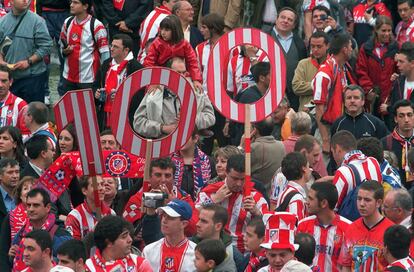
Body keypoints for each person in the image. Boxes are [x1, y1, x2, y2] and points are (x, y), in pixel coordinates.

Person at [196, 154, 268, 253]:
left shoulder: (256, 198)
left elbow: (268, 226)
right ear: (226, 173)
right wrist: (213, 200)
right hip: (213, 249)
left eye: (243, 179)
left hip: (244, 253)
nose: (238, 183)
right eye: (234, 178)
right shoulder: (210, 191)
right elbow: (194, 217)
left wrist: (257, 213)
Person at [133, 57, 215, 139]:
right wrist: (162, 128)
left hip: (189, 145)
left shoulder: (196, 90)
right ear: (168, 73)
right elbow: (138, 122)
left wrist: (190, 120)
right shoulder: (154, 92)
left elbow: (210, 117)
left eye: (184, 73)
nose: (182, 77)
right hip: (163, 146)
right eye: (178, 73)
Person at [123, 157, 197, 245]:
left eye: (167, 175)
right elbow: (127, 231)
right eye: (158, 175)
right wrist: (149, 209)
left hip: (178, 247)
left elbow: (193, 230)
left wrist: (175, 207)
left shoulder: (184, 198)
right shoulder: (138, 199)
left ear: (173, 178)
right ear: (149, 177)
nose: (163, 180)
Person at [0, 188, 72, 271]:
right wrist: (12, 256)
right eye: (28, 205)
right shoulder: (21, 233)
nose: (31, 209)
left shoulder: (61, 235)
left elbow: (68, 265)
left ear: (48, 208)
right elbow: (9, 262)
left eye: (36, 205)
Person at [0, 0, 52, 103]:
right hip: (11, 78)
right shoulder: (3, 21)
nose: (26, 0)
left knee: (32, 114)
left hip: (33, 78)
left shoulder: (38, 21)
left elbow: (46, 46)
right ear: (11, 1)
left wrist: (28, 61)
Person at [313, 33, 356, 154]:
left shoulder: (341, 69)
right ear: (344, 49)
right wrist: (325, 140)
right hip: (326, 130)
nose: (352, 50)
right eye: (351, 47)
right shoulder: (324, 73)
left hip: (338, 127)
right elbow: (319, 107)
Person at [338, 180, 395, 271]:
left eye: (367, 200)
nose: (361, 204)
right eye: (359, 198)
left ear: (379, 203)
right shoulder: (351, 228)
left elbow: (396, 266)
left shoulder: (391, 231)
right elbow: (345, 265)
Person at [297, 182, 351, 271]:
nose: (307, 202)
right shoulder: (302, 225)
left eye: (310, 199)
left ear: (323, 203)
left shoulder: (348, 228)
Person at [59, 0, 110, 95]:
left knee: (87, 109)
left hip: (88, 79)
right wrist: (65, 51)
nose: (71, 5)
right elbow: (61, 47)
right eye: (71, 2)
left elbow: (105, 54)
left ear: (85, 6)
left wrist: (103, 79)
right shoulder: (67, 22)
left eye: (75, 2)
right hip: (68, 77)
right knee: (70, 108)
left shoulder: (97, 25)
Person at [144, 15, 203, 93]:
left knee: (197, 93)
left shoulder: (184, 44)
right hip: (160, 78)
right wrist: (152, 81)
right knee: (153, 98)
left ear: (175, 30)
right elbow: (149, 64)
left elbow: (193, 62)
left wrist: (196, 80)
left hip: (181, 77)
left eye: (167, 30)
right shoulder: (157, 43)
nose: (163, 33)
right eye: (161, 29)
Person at [96, 33, 142, 130]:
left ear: (126, 50)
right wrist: (96, 93)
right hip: (105, 115)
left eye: (116, 47)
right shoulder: (105, 64)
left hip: (126, 117)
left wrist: (122, 97)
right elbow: (95, 85)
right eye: (111, 45)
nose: (111, 49)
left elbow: (139, 96)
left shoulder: (137, 68)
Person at [356, 16, 398, 121]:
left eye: (389, 30)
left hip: (391, 98)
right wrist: (369, 90)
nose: (387, 34)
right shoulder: (366, 48)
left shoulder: (396, 48)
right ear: (376, 30)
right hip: (373, 98)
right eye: (383, 30)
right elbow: (361, 71)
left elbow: (399, 70)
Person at [331, 130, 382, 211]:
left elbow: (333, 208)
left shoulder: (343, 172)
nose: (333, 157)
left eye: (332, 152)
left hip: (353, 222)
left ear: (337, 149)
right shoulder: (373, 162)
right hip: (376, 219)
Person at [269, 7, 307, 111]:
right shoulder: (264, 36)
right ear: (276, 19)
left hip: (293, 94)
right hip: (269, 92)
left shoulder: (299, 43)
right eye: (283, 17)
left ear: (294, 25)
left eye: (290, 20)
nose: (285, 21)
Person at [142, 199, 196, 271]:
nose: (164, 220)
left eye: (171, 217)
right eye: (164, 216)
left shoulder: (196, 253)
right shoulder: (149, 250)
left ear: (184, 224)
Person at [85, 215, 152, 271]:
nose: (130, 240)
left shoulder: (139, 264)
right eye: (124, 237)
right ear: (109, 243)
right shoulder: (89, 267)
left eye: (129, 235)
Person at [230, 62, 271, 146]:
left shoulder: (260, 94)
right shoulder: (250, 97)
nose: (275, 78)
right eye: (271, 75)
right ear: (262, 78)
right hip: (247, 144)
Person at [193, 204, 244, 271]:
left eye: (204, 221)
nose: (197, 224)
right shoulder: (188, 246)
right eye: (199, 219)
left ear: (218, 226)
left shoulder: (234, 255)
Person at [65, 175, 115, 240]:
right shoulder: (74, 216)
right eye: (95, 185)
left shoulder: (111, 213)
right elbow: (74, 247)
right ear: (84, 191)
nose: (101, 188)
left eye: (102, 184)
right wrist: (93, 233)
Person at [171, 129, 215, 199]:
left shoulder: (208, 162)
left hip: (201, 207)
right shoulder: (169, 160)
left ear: (195, 138)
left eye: (184, 138)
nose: (180, 141)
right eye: (178, 137)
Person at [292, 31, 329, 111]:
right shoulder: (303, 64)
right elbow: (296, 86)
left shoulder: (332, 64)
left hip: (327, 112)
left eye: (319, 46)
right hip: (305, 115)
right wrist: (317, 85)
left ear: (327, 46)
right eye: (312, 46)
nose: (315, 49)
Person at [382, 99, 414, 187]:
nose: (406, 120)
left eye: (409, 115)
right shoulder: (385, 143)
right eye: (401, 116)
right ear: (396, 119)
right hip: (395, 194)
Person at [250, 118, 286, 193]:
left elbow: (237, 166)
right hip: (275, 192)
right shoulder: (281, 145)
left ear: (255, 130)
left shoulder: (254, 148)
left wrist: (242, 146)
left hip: (258, 194)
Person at [276, 152, 311, 220]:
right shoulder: (297, 198)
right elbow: (297, 226)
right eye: (308, 166)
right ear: (304, 168)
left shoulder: (285, 192)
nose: (310, 170)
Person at [381, 42, 414, 115]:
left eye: (401, 62)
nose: (398, 64)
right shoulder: (397, 82)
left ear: (412, 63)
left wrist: (388, 109)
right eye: (397, 61)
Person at [0, 65, 29, 135]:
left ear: (11, 82)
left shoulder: (21, 105)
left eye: (4, 81)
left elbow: (26, 134)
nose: (0, 85)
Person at [9, 176, 35, 241]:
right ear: (20, 195)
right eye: (25, 188)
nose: (29, 191)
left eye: (32, 188)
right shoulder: (12, 214)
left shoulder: (43, 213)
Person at [0, 158, 19, 227]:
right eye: (10, 172)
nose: (15, 176)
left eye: (17, 172)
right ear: (0, 176)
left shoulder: (24, 195)